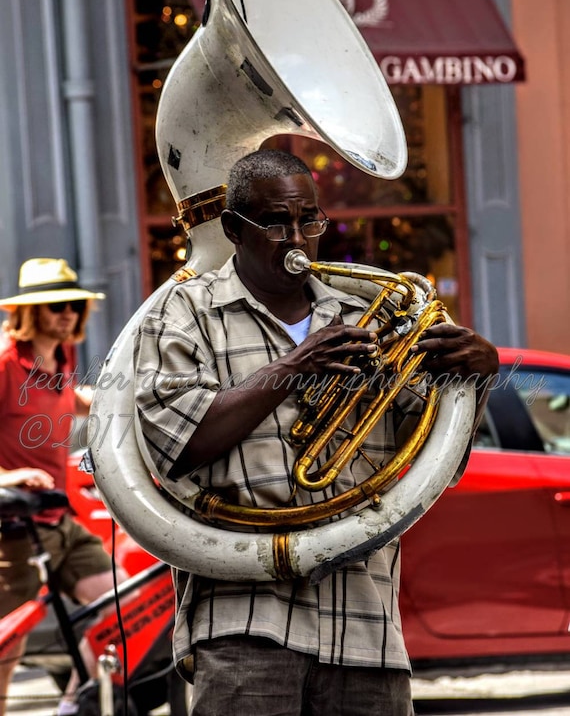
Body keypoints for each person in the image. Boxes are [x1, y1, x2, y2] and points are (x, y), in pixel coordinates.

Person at [134, 150, 499, 716]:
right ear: (232, 229)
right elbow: (177, 448)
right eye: (277, 223)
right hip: (244, 616)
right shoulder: (183, 312)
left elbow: (436, 462)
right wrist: (292, 368)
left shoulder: (365, 315)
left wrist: (472, 377)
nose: (298, 239)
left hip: (365, 617)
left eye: (310, 220)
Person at [0, 258, 122, 716]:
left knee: (121, 604)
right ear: (30, 312)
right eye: (55, 305)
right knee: (9, 638)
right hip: (14, 526)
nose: (67, 312)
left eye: (73, 303)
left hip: (60, 518)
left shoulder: (60, 356)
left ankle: (74, 704)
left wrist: (113, 402)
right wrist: (7, 478)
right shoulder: (6, 363)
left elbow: (63, 399)